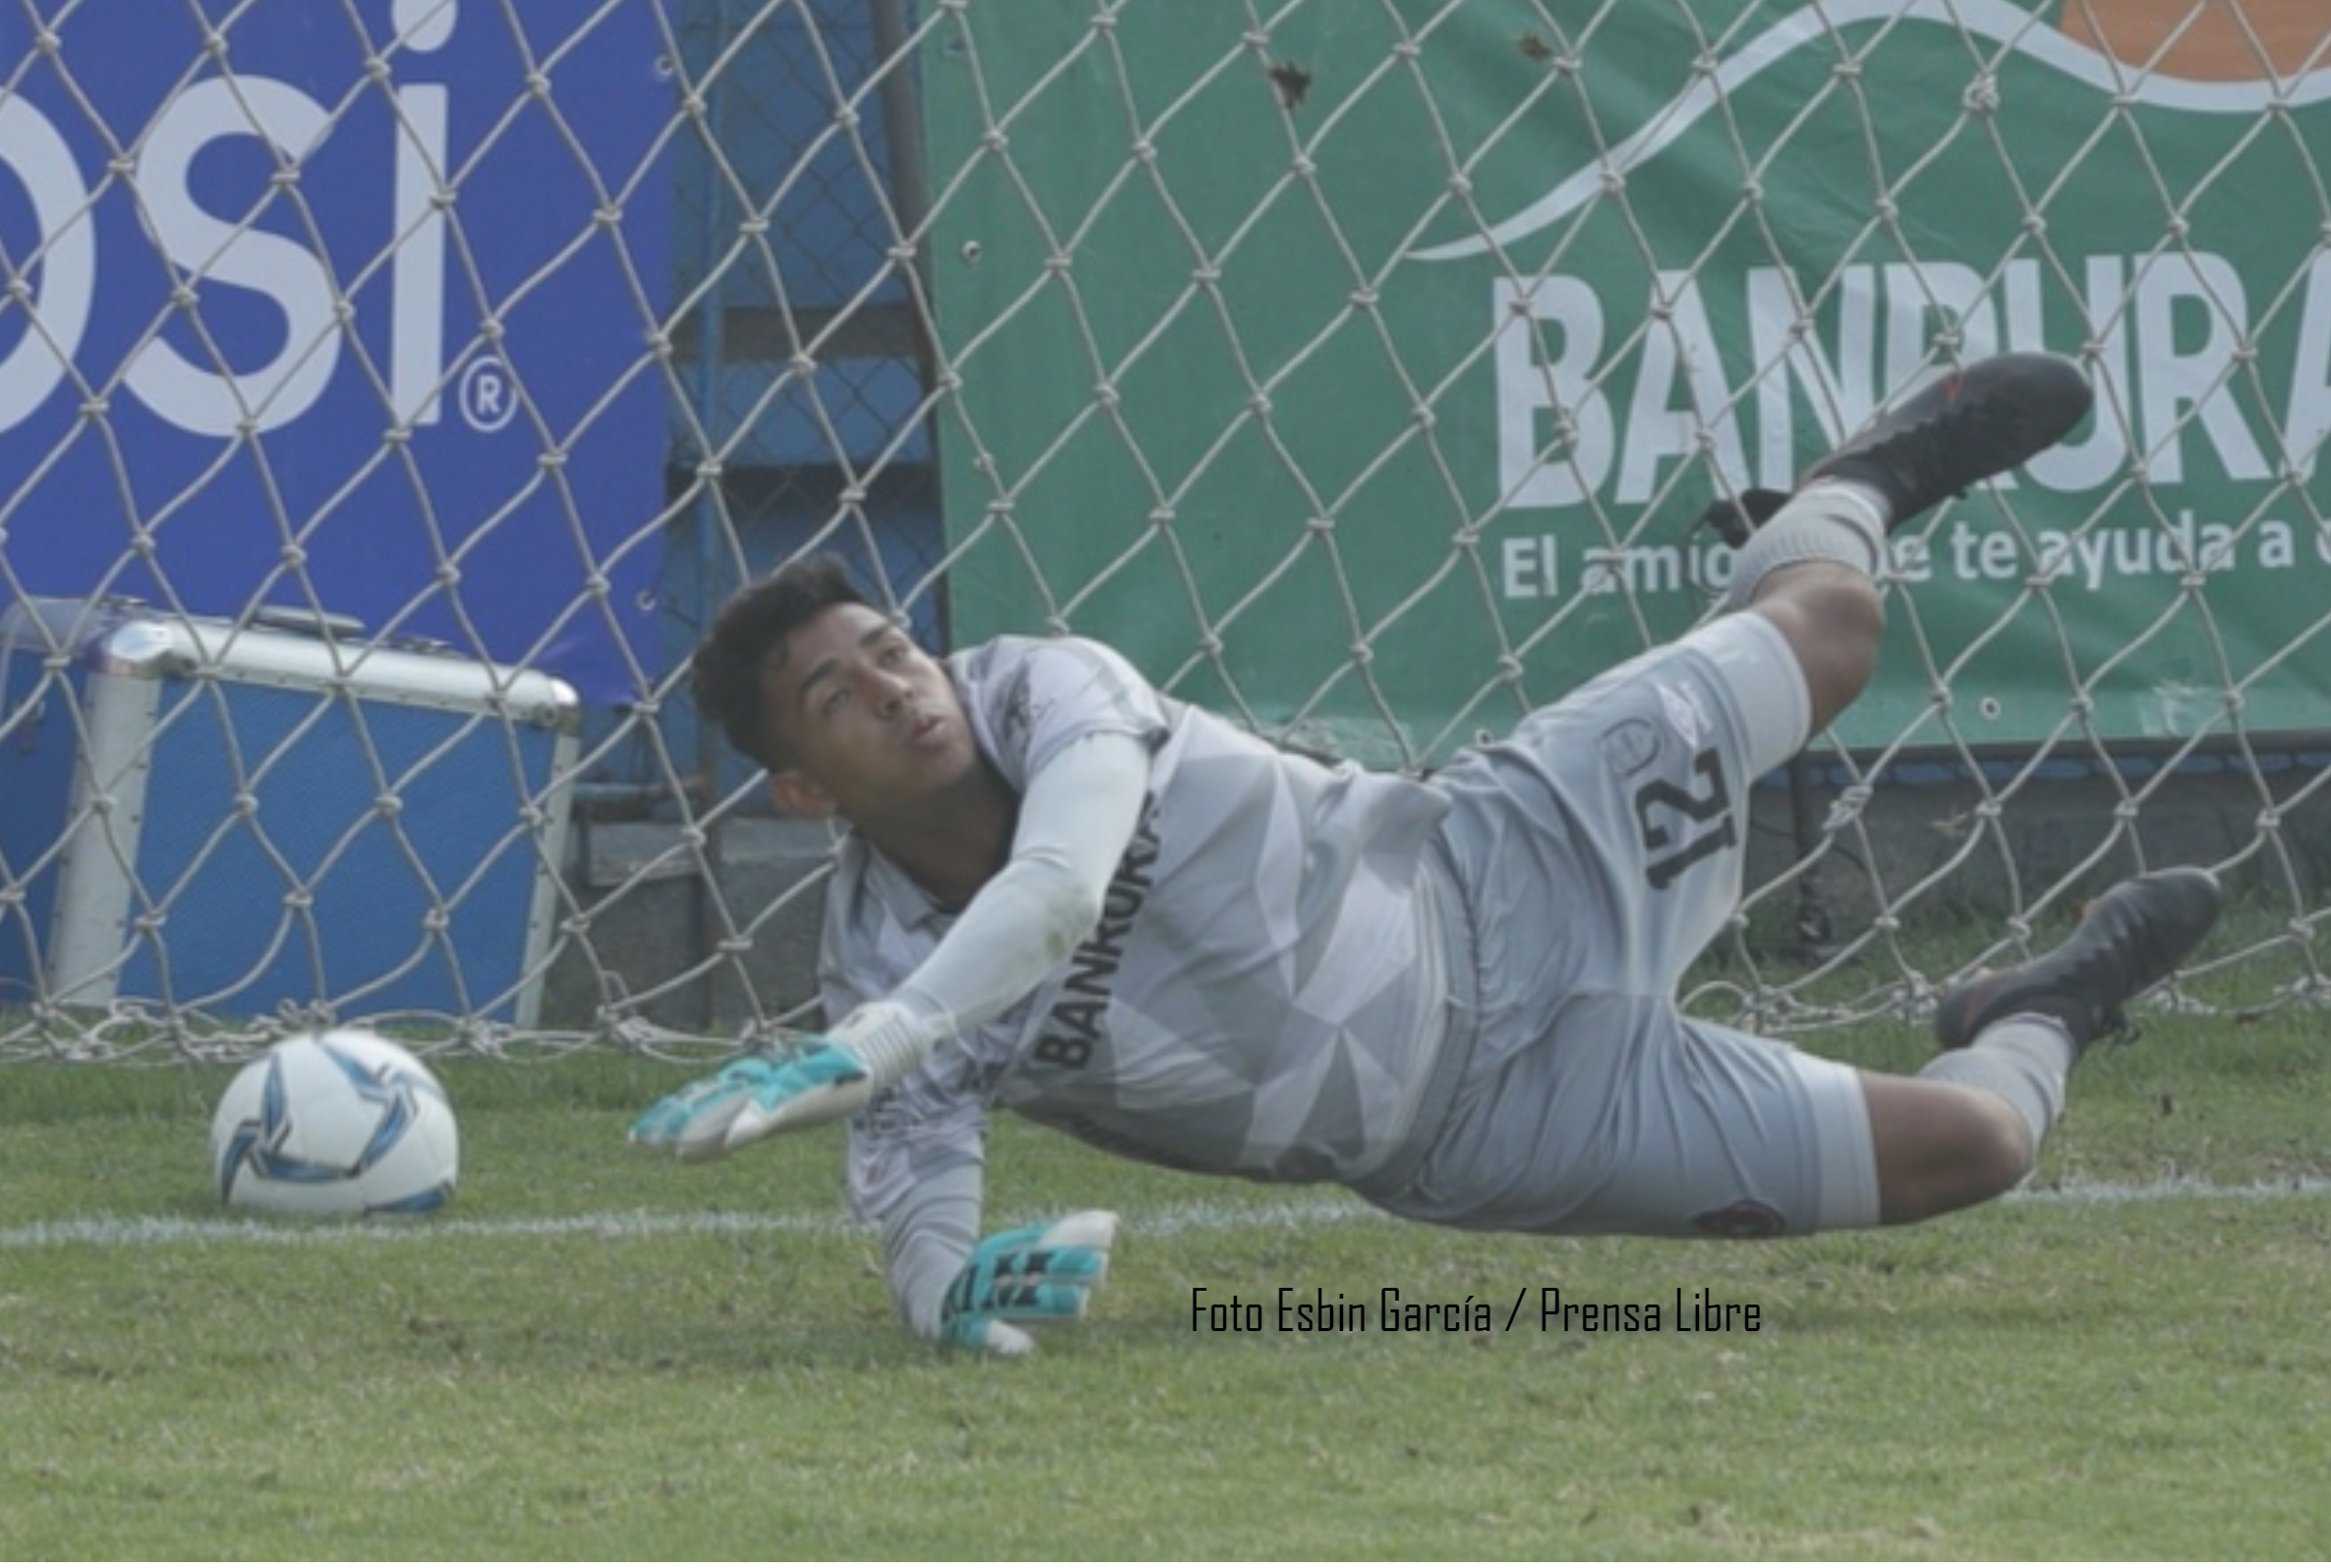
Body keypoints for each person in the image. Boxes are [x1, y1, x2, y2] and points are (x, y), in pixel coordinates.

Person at [631, 352, 2226, 1357]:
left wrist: (868, 1041)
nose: (900, 688)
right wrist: (943, 1295)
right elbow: (915, 1173)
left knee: (1831, 629)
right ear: (800, 797)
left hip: (1507, 855)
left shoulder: (1053, 690)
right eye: (836, 696)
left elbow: (1055, 894)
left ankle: (1848, 487)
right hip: (1498, 1127)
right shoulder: (878, 964)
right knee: (1978, 1152)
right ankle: (2042, 1003)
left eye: (894, 645)